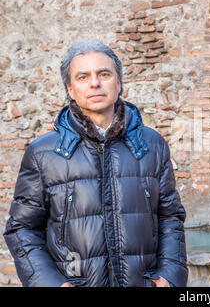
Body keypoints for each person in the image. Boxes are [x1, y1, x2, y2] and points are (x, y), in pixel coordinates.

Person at [3, 40, 188, 287]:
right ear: (70, 89)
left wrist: (169, 277)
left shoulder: (152, 144)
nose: (94, 83)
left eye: (104, 74)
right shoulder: (43, 153)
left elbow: (170, 217)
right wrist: (51, 284)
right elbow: (22, 229)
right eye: (83, 77)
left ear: (119, 83)